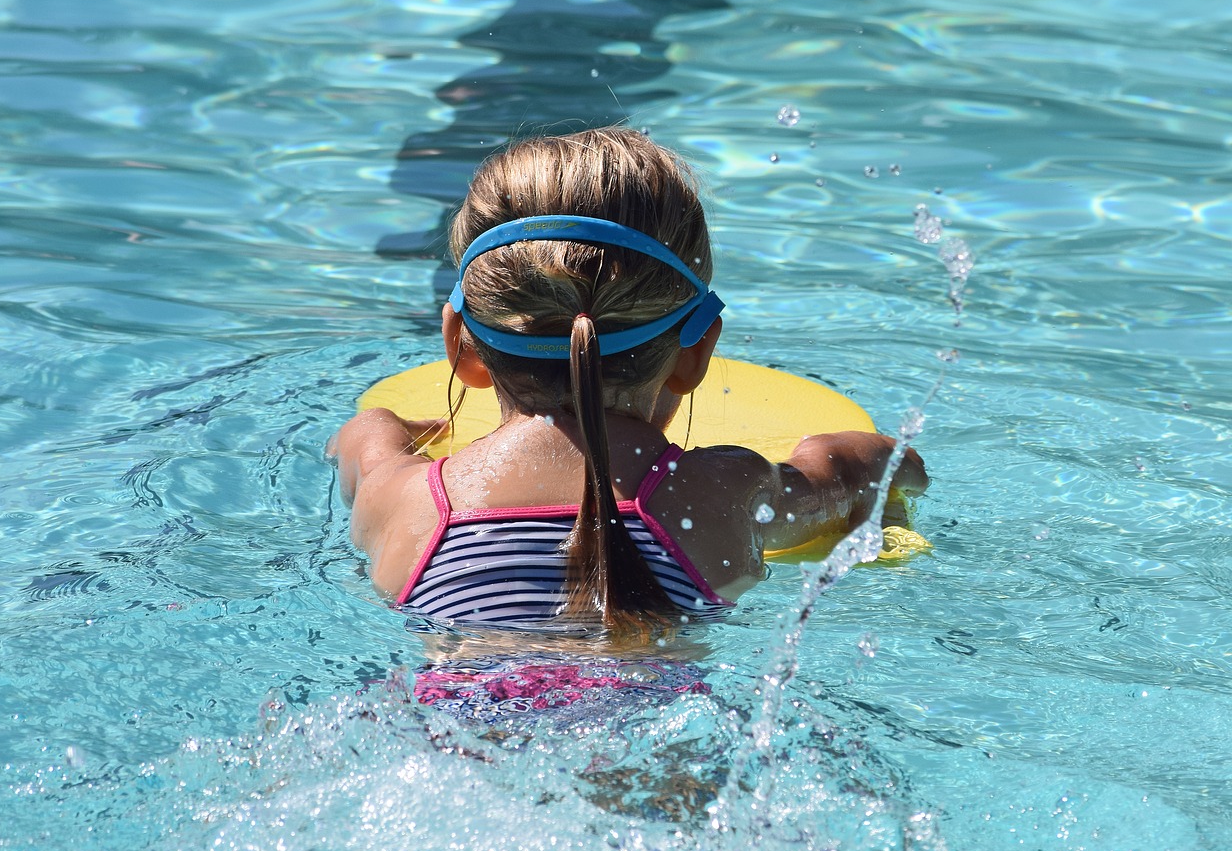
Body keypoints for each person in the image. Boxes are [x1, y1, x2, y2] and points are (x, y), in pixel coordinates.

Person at [332, 127, 928, 651]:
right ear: (695, 352)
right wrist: (885, 464)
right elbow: (860, 468)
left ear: (462, 346)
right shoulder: (717, 492)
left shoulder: (403, 502)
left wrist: (401, 429)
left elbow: (364, 436)